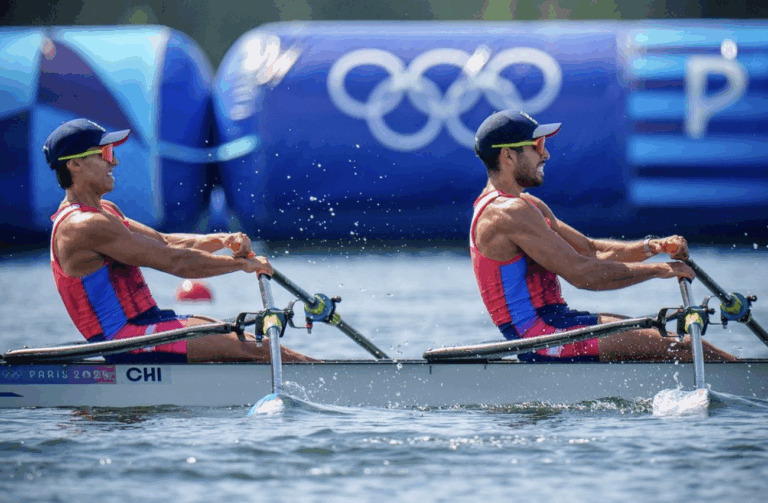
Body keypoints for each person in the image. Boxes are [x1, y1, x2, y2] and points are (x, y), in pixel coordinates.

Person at [471, 110, 736, 362]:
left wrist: (652, 247)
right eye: (537, 145)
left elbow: (590, 250)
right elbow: (583, 274)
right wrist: (658, 271)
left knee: (668, 341)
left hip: (560, 321)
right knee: (686, 347)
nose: (546, 154)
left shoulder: (528, 205)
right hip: (541, 338)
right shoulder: (506, 212)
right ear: (508, 156)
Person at [43, 118, 315, 363]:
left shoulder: (106, 210)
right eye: (105, 154)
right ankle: (339, 388)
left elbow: (166, 241)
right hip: (124, 338)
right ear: (75, 164)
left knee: (249, 341)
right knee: (260, 349)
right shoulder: (84, 226)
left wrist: (223, 239)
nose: (114, 162)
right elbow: (175, 262)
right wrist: (243, 265)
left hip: (149, 322)